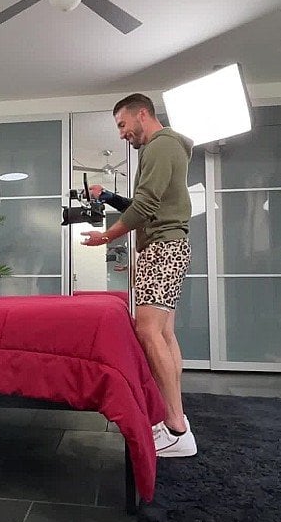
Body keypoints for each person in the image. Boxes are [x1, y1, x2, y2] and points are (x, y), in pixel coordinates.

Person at [80, 93, 196, 457]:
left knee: (148, 331)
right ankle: (174, 417)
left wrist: (106, 237)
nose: (121, 134)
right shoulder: (168, 147)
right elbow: (144, 205)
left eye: (122, 124)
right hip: (166, 246)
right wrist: (108, 196)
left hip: (162, 247)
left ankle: (175, 428)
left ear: (142, 114)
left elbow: (145, 206)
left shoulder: (159, 145)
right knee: (163, 332)